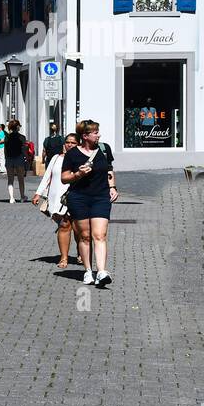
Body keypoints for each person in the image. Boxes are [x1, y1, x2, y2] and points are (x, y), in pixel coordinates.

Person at [60, 118, 118, 287]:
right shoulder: (72, 154)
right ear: (85, 136)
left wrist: (112, 187)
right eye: (95, 132)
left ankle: (101, 271)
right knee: (85, 237)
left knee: (99, 235)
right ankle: (88, 271)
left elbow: (109, 170)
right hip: (79, 198)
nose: (98, 135)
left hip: (100, 197)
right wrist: (78, 174)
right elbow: (64, 178)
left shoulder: (104, 149)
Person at [33, 132, 78, 267]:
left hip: (77, 196)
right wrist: (38, 194)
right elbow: (47, 176)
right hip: (58, 197)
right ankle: (64, 257)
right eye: (68, 142)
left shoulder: (81, 158)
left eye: (73, 142)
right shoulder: (56, 158)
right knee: (64, 225)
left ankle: (81, 253)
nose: (70, 145)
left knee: (78, 229)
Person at [4, 119, 28, 203]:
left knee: (10, 179)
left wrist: (6, 159)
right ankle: (22, 197)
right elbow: (24, 150)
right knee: (21, 179)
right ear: (18, 127)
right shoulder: (22, 137)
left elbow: (5, 150)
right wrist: (26, 159)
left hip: (9, 159)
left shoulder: (7, 137)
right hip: (19, 159)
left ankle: (11, 198)